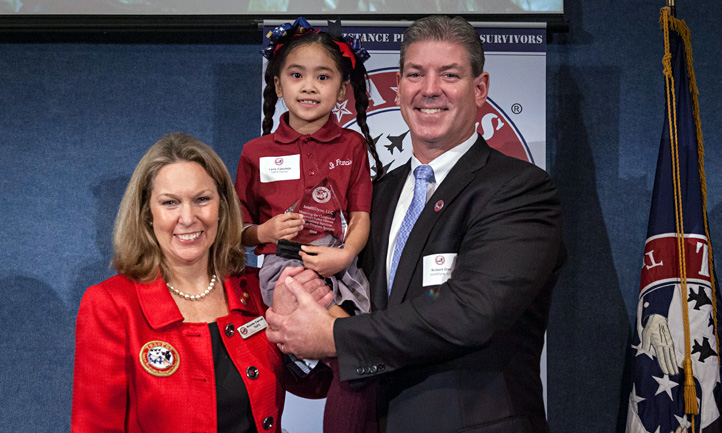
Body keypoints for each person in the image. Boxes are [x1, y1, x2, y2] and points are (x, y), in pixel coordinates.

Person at [266, 15, 566, 433]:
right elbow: (358, 306)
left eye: (449, 74)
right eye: (415, 74)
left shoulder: (520, 191)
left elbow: (470, 312)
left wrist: (335, 334)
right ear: (400, 87)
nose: (429, 89)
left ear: (480, 90)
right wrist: (299, 312)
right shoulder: (376, 195)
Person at [71, 133, 332, 433]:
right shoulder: (111, 305)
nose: (188, 217)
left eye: (202, 199)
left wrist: (292, 331)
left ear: (222, 207)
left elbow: (316, 387)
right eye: (170, 203)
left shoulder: (259, 289)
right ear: (147, 214)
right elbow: (95, 426)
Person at [235, 18, 379, 433]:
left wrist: (346, 254)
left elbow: (360, 215)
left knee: (358, 362)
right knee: (353, 354)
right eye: (296, 76)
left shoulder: (352, 146)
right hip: (285, 269)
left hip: (341, 265)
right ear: (279, 86)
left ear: (341, 90)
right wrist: (264, 232)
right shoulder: (255, 151)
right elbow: (236, 229)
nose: (309, 87)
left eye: (323, 76)